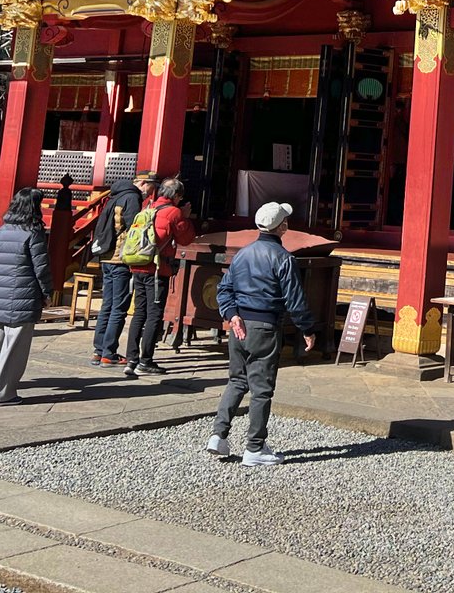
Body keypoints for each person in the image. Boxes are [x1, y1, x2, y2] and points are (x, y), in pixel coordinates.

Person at [206, 200, 317, 466]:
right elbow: (295, 299)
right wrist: (307, 328)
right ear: (282, 226)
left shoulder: (242, 254)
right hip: (265, 326)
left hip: (239, 324)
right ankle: (254, 447)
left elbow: (224, 289)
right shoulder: (284, 258)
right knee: (262, 389)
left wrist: (231, 314)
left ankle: (218, 436)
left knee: (236, 381)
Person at [0, 187, 53, 406]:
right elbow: (41, 267)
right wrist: (47, 292)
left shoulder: (3, 229)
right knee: (15, 349)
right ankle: (3, 394)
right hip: (23, 295)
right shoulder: (33, 231)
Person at [123, 175, 195, 378]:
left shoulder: (148, 207)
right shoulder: (174, 212)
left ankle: (131, 359)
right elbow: (186, 239)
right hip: (157, 269)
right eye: (180, 197)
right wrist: (185, 217)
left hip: (138, 266)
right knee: (154, 315)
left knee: (139, 313)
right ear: (176, 195)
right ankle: (145, 361)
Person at [87, 171, 152, 366]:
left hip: (106, 257)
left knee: (107, 305)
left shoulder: (114, 196)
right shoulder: (132, 198)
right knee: (119, 307)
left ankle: (99, 350)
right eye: (151, 186)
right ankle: (109, 352)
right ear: (143, 183)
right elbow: (134, 228)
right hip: (120, 258)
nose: (151, 191)